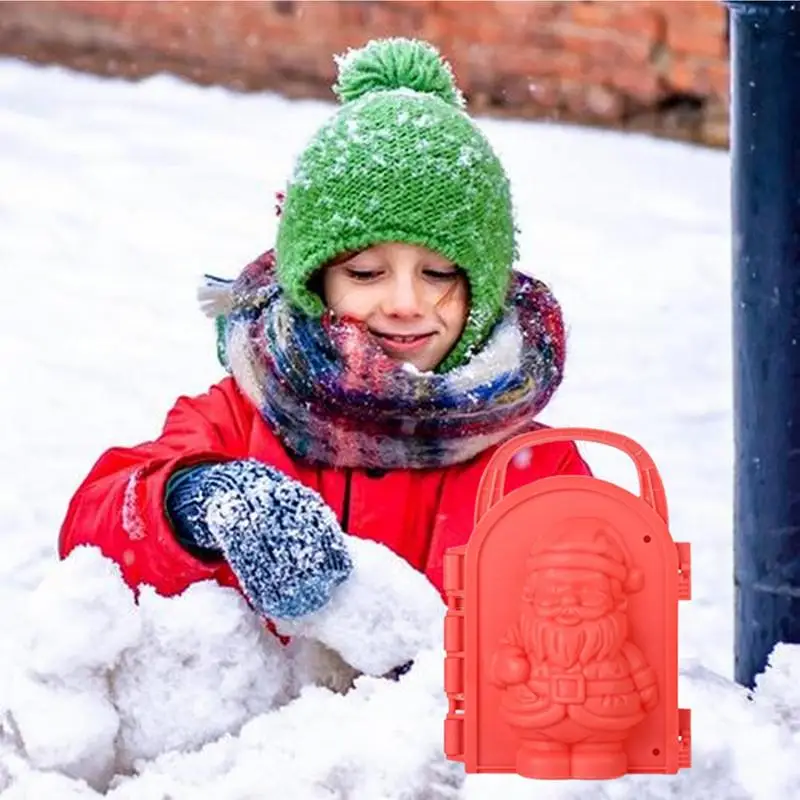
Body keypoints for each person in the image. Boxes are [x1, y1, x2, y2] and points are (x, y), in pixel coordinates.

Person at [58, 37, 591, 659]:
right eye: (365, 273)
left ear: (486, 286)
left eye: (440, 273)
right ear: (313, 283)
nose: (404, 302)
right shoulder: (236, 419)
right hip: (257, 749)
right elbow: (93, 533)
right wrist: (196, 503)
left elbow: (604, 623)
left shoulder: (534, 469)